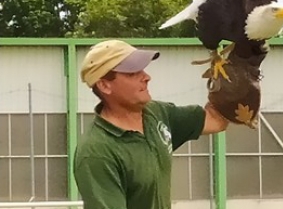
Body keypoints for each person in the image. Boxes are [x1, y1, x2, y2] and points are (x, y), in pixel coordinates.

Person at [74, 39, 228, 209]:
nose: (146, 77)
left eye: (143, 70)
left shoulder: (157, 113)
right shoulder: (97, 152)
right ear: (104, 85)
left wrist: (240, 72)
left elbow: (216, 121)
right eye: (132, 73)